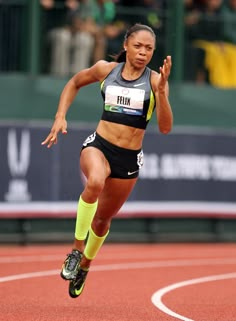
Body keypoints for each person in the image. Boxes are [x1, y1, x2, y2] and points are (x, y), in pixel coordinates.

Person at [41, 23, 173, 298]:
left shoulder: (155, 82)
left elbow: (164, 127)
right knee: (95, 182)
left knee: (102, 219)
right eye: (138, 46)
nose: (143, 53)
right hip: (99, 145)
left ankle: (86, 266)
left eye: (149, 49)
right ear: (126, 45)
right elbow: (74, 82)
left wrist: (161, 94)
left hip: (128, 159)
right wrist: (60, 116)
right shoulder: (106, 70)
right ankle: (76, 251)